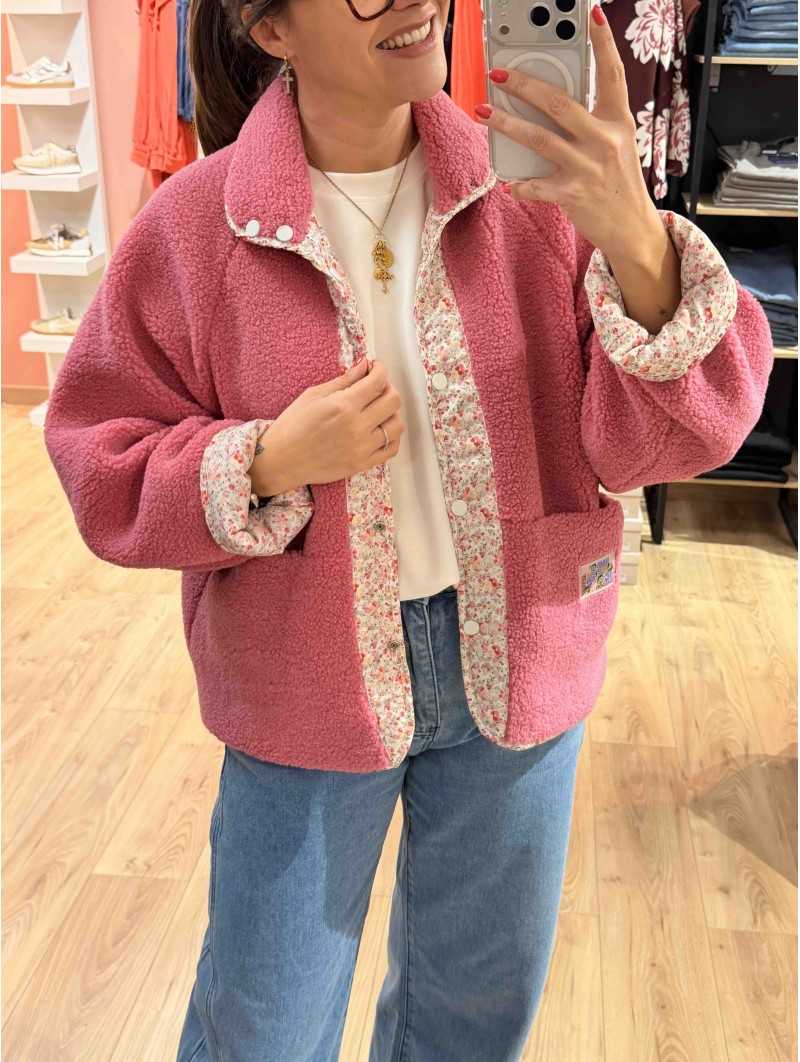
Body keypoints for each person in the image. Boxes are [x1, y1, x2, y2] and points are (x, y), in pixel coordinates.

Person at [42, 0, 774, 1058]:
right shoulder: (196, 229)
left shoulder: (537, 199)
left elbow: (677, 438)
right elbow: (97, 457)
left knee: (474, 1018)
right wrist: (266, 459)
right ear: (272, 29)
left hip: (520, 666)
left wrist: (633, 234)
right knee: (263, 1024)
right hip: (301, 680)